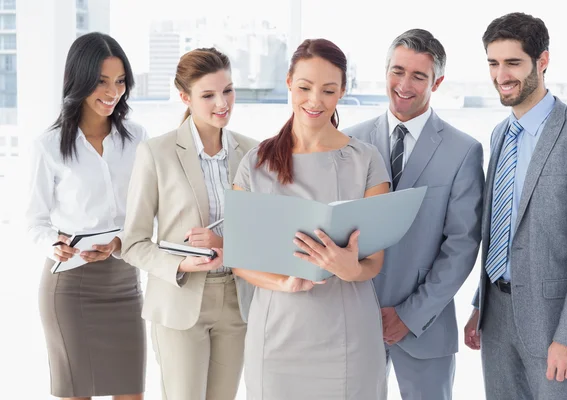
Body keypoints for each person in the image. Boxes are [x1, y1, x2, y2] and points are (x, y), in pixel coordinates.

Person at [230, 38, 390, 399]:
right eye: (304, 87)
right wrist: (283, 284)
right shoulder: (255, 163)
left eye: (328, 90)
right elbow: (238, 259)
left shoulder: (367, 159)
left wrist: (351, 269)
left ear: (342, 92)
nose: (315, 101)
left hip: (349, 335)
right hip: (278, 335)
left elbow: (375, 261)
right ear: (289, 82)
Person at [463, 12, 567, 400]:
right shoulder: (500, 134)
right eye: (493, 62)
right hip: (497, 317)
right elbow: (501, 228)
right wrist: (479, 304)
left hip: (554, 322)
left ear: (542, 61)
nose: (501, 75)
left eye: (513, 63)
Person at [344, 29, 484, 400]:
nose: (404, 84)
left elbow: (461, 246)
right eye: (397, 71)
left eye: (418, 76)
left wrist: (409, 315)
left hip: (425, 327)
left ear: (437, 82)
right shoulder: (349, 142)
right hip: (354, 320)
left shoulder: (463, 151)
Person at [121, 47, 258, 400]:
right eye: (208, 95)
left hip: (236, 300)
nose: (222, 103)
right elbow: (133, 242)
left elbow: (264, 229)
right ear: (185, 97)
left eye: (227, 90)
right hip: (180, 300)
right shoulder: (156, 153)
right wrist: (180, 263)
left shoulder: (253, 153)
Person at [25, 32, 147, 400]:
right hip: (70, 287)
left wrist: (119, 242)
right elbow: (34, 221)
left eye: (120, 81)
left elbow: (147, 213)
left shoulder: (137, 140)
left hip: (125, 282)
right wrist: (54, 244)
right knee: (77, 394)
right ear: (78, 80)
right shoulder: (48, 147)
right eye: (101, 82)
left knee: (131, 393)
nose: (113, 92)